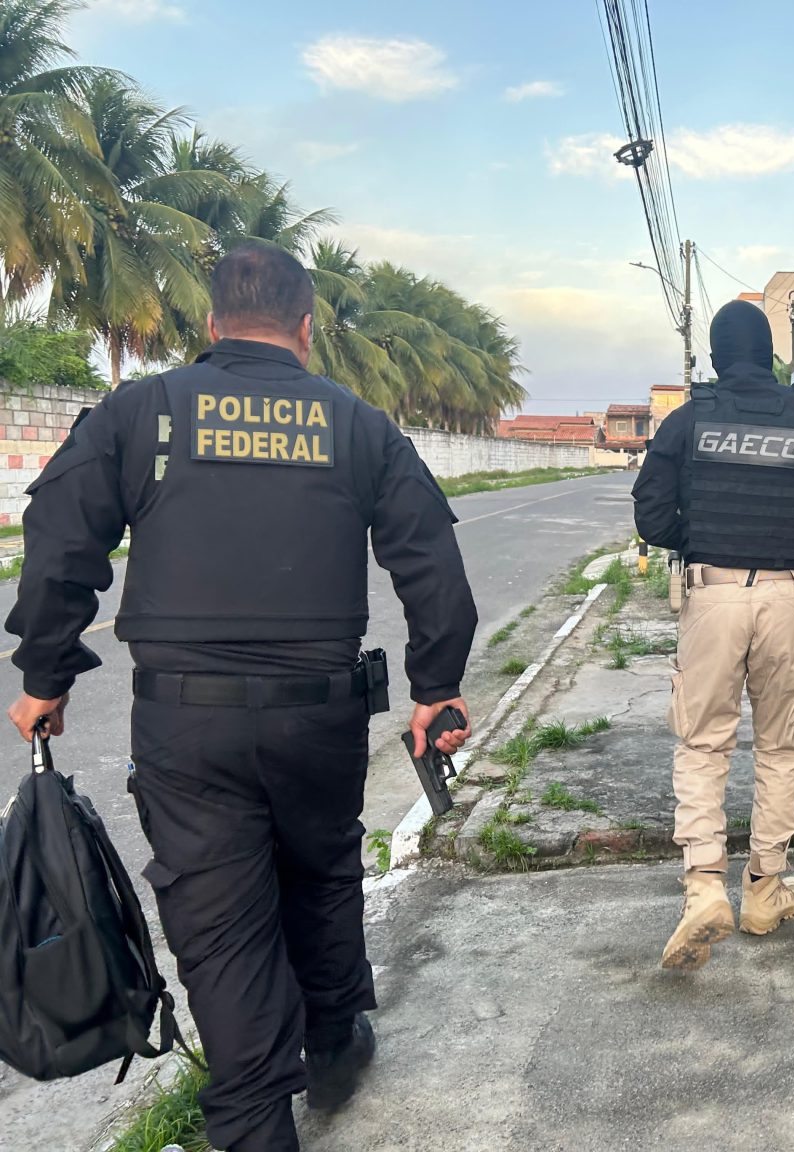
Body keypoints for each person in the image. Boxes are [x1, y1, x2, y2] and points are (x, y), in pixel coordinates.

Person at [3, 245, 477, 1152]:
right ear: (306, 328)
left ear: (212, 324)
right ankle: (332, 1048)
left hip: (187, 725)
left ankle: (256, 1123)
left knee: (220, 922)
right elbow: (432, 564)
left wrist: (46, 677)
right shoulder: (357, 423)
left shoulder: (142, 412)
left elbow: (60, 539)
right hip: (321, 714)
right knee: (322, 873)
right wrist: (437, 688)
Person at [633, 300, 794, 972]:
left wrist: (703, 536)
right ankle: (765, 888)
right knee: (780, 744)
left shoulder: (689, 419)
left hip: (712, 593)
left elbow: (652, 517)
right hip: (792, 595)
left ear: (715, 359)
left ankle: (705, 887)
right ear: (772, 356)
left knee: (703, 742)